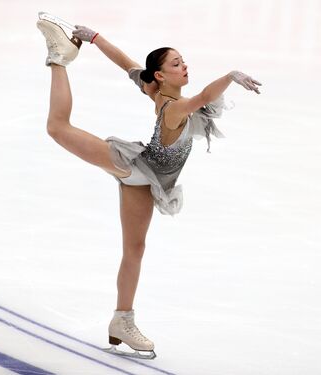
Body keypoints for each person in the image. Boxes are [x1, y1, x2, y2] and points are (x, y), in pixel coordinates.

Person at [36, 16, 262, 359]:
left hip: (146, 183)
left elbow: (128, 65)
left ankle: (121, 321)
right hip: (133, 166)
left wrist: (96, 37)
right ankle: (58, 58)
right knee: (57, 128)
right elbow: (202, 96)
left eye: (183, 61)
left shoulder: (153, 89)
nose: (184, 66)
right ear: (160, 75)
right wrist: (231, 75)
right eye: (176, 63)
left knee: (135, 250)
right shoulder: (174, 107)